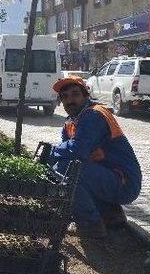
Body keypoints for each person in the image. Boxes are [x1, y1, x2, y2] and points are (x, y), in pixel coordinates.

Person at [50, 76, 142, 239]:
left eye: (75, 94)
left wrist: (52, 151)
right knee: (62, 167)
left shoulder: (94, 115)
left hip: (124, 182)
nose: (69, 100)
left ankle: (91, 224)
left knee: (66, 169)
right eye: (65, 97)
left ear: (86, 96)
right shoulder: (71, 122)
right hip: (107, 176)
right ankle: (110, 214)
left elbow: (78, 150)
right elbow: (68, 151)